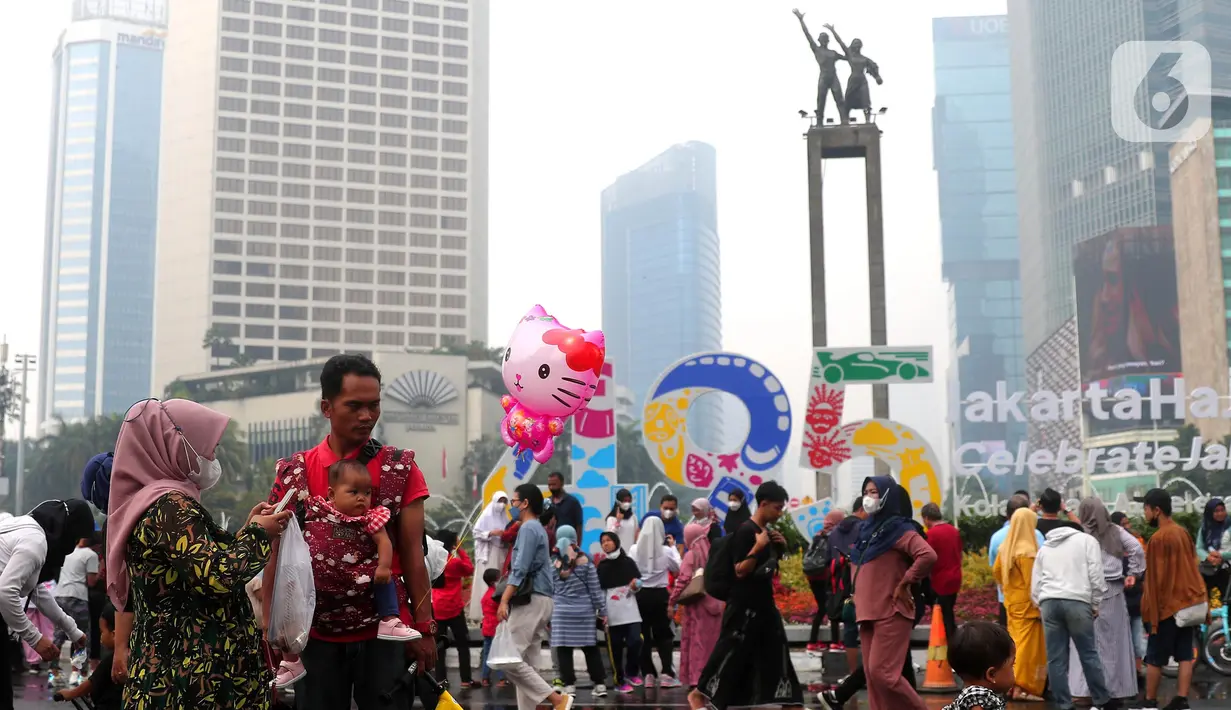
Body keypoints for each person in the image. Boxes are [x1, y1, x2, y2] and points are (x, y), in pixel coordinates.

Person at [260, 355, 436, 709]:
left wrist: (425, 627)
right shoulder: (295, 473)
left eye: (374, 406)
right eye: (354, 406)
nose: (367, 416)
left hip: (386, 631)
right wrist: (269, 627)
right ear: (327, 407)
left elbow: (414, 554)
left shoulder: (399, 467)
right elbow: (275, 555)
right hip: (314, 635)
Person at [106, 399, 291, 710]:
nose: (212, 456)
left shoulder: (159, 503)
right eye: (208, 447)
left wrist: (246, 529)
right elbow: (215, 577)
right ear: (175, 444)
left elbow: (192, 567)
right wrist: (259, 534)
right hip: (190, 678)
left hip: (178, 671)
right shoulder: (170, 506)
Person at [278, 457, 423, 687]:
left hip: (364, 590)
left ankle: (389, 620)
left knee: (383, 580)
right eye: (353, 492)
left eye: (367, 493)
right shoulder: (315, 508)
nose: (361, 498)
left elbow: (384, 542)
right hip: (316, 602)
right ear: (331, 494)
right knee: (288, 610)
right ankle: (291, 661)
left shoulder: (370, 518)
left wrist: (384, 566)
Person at [689, 481, 805, 710]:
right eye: (777, 508)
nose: (780, 513)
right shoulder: (746, 532)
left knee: (777, 650)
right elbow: (740, 571)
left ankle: (792, 703)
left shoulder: (765, 533)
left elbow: (766, 569)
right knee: (729, 652)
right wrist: (757, 548)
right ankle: (698, 694)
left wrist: (777, 549)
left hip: (764, 604)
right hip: (743, 605)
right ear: (763, 504)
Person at [847, 477, 935, 710]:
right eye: (866, 491)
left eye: (874, 492)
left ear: (887, 496)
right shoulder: (866, 530)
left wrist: (906, 582)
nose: (868, 497)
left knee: (883, 673)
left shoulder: (898, 528)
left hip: (891, 610)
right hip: (867, 611)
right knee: (872, 678)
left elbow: (927, 555)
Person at [0, 501, 94, 707]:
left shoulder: (27, 528)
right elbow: (5, 593)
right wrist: (35, 638)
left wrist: (72, 629)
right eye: (75, 537)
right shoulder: (35, 542)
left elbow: (37, 591)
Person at [1030, 506, 1121, 710]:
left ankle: (1064, 704)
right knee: (1088, 653)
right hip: (1078, 602)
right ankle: (1102, 700)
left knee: (1056, 658)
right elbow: (1096, 574)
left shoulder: (1045, 547)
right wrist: (1096, 603)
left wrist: (1039, 602)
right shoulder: (1087, 541)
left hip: (1049, 603)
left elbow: (1035, 581)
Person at [497, 484, 573, 710]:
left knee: (507, 659)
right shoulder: (536, 528)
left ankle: (557, 699)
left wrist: (504, 599)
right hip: (541, 599)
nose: (512, 505)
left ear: (525, 503)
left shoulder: (529, 528)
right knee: (528, 663)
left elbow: (520, 568)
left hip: (531, 600)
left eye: (514, 500)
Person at [1068, 497, 1144, 704]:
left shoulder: (1079, 533)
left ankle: (1085, 690)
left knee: (1086, 643)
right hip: (1114, 592)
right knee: (1113, 643)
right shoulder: (1116, 531)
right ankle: (1114, 689)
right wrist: (1133, 573)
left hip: (1086, 593)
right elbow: (1137, 548)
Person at [1137, 488, 1207, 710]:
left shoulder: (1158, 538)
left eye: (1146, 508)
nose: (1144, 513)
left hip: (1166, 607)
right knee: (1184, 653)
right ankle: (1181, 699)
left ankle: (1149, 700)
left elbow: (1155, 580)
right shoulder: (1183, 533)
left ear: (1156, 510)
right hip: (1186, 604)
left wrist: (1150, 611)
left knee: (1155, 656)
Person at [992, 508, 1047, 700]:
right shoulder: (1028, 551)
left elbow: (997, 573)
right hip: (1029, 607)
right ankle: (1021, 687)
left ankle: (1009, 684)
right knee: (1027, 648)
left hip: (1012, 603)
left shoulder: (1005, 548)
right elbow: (1034, 583)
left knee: (1014, 644)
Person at [549, 525, 608, 696]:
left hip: (561, 612)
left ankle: (569, 686)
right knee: (590, 648)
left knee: (564, 649)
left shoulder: (552, 563)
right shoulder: (586, 562)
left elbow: (550, 590)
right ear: (575, 539)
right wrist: (602, 611)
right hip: (584, 612)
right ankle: (599, 684)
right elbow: (595, 590)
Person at [630, 514, 682, 688]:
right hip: (660, 596)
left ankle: (648, 675)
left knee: (643, 635)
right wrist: (673, 548)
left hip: (640, 596)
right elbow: (678, 568)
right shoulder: (666, 551)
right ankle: (667, 673)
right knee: (664, 635)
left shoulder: (634, 549)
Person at [670, 521, 724, 689]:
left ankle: (697, 679)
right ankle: (715, 677)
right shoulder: (714, 553)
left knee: (698, 644)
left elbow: (683, 581)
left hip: (698, 607)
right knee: (714, 643)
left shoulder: (691, 555)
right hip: (716, 605)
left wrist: (672, 602)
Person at [596, 531, 643, 693]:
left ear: (616, 542)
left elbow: (638, 582)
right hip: (612, 613)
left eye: (608, 540)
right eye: (603, 541)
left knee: (636, 640)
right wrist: (602, 613)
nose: (606, 544)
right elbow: (600, 591)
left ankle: (631, 671)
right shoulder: (602, 566)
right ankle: (619, 680)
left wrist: (636, 586)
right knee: (614, 648)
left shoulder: (628, 562)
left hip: (631, 611)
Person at [52, 602, 122, 710]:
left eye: (102, 632)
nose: (100, 638)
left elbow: (91, 683)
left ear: (114, 634)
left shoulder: (112, 659)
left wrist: (70, 693)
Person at [988, 494, 1044, 627]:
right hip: (1030, 608)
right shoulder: (1034, 539)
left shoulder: (998, 539)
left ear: (1008, 515)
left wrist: (1006, 586)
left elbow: (995, 569)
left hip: (1008, 601)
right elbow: (1035, 580)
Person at [432, 529, 477, 688]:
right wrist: (461, 548)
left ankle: (441, 680)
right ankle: (466, 679)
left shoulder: (435, 561)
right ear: (452, 544)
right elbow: (470, 568)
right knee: (463, 644)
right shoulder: (454, 562)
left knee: (439, 647)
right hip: (455, 609)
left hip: (437, 608)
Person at [52, 532, 99, 678]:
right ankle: (77, 671)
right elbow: (91, 582)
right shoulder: (91, 555)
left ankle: (53, 670)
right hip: (78, 596)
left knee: (59, 634)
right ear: (97, 545)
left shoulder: (69, 552)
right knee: (80, 635)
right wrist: (101, 573)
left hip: (60, 595)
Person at [943, 622, 1016, 710]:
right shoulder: (979, 697)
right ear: (991, 674)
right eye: (1012, 665)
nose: (1013, 671)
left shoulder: (975, 696)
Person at [804, 509, 845, 652]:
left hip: (812, 575)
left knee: (822, 608)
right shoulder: (835, 535)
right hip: (825, 574)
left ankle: (812, 642)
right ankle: (835, 642)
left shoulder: (817, 534)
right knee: (831, 605)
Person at [921, 502, 962, 643]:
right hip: (955, 578)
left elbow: (926, 559)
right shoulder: (954, 531)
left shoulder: (930, 535)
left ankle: (951, 648)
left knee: (943, 617)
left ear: (926, 518)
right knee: (948, 612)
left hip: (940, 581)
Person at [470, 490, 510, 621]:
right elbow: (476, 532)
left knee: (499, 579)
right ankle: (483, 612)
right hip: (488, 552)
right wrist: (491, 533)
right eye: (500, 501)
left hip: (501, 552)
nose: (502, 504)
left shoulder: (505, 517)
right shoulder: (486, 516)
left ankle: (498, 609)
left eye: (504, 501)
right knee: (487, 580)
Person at [1197, 497, 1230, 602]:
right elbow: (1199, 548)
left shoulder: (1229, 526)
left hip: (1227, 569)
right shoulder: (1204, 528)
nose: (1220, 513)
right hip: (1209, 569)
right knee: (1203, 598)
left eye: (1222, 510)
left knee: (1227, 599)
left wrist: (1222, 556)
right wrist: (1209, 557)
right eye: (1216, 511)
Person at [478, 568, 506, 687]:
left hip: (487, 628)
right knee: (498, 654)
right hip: (495, 628)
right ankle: (501, 679)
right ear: (493, 581)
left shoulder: (485, 595)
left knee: (487, 654)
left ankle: (485, 678)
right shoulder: (496, 595)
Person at [546, 473, 584, 537]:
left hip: (568, 543)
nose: (551, 487)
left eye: (554, 484)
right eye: (549, 485)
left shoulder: (573, 502)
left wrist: (576, 545)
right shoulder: (547, 503)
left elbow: (579, 526)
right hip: (551, 544)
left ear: (562, 484)